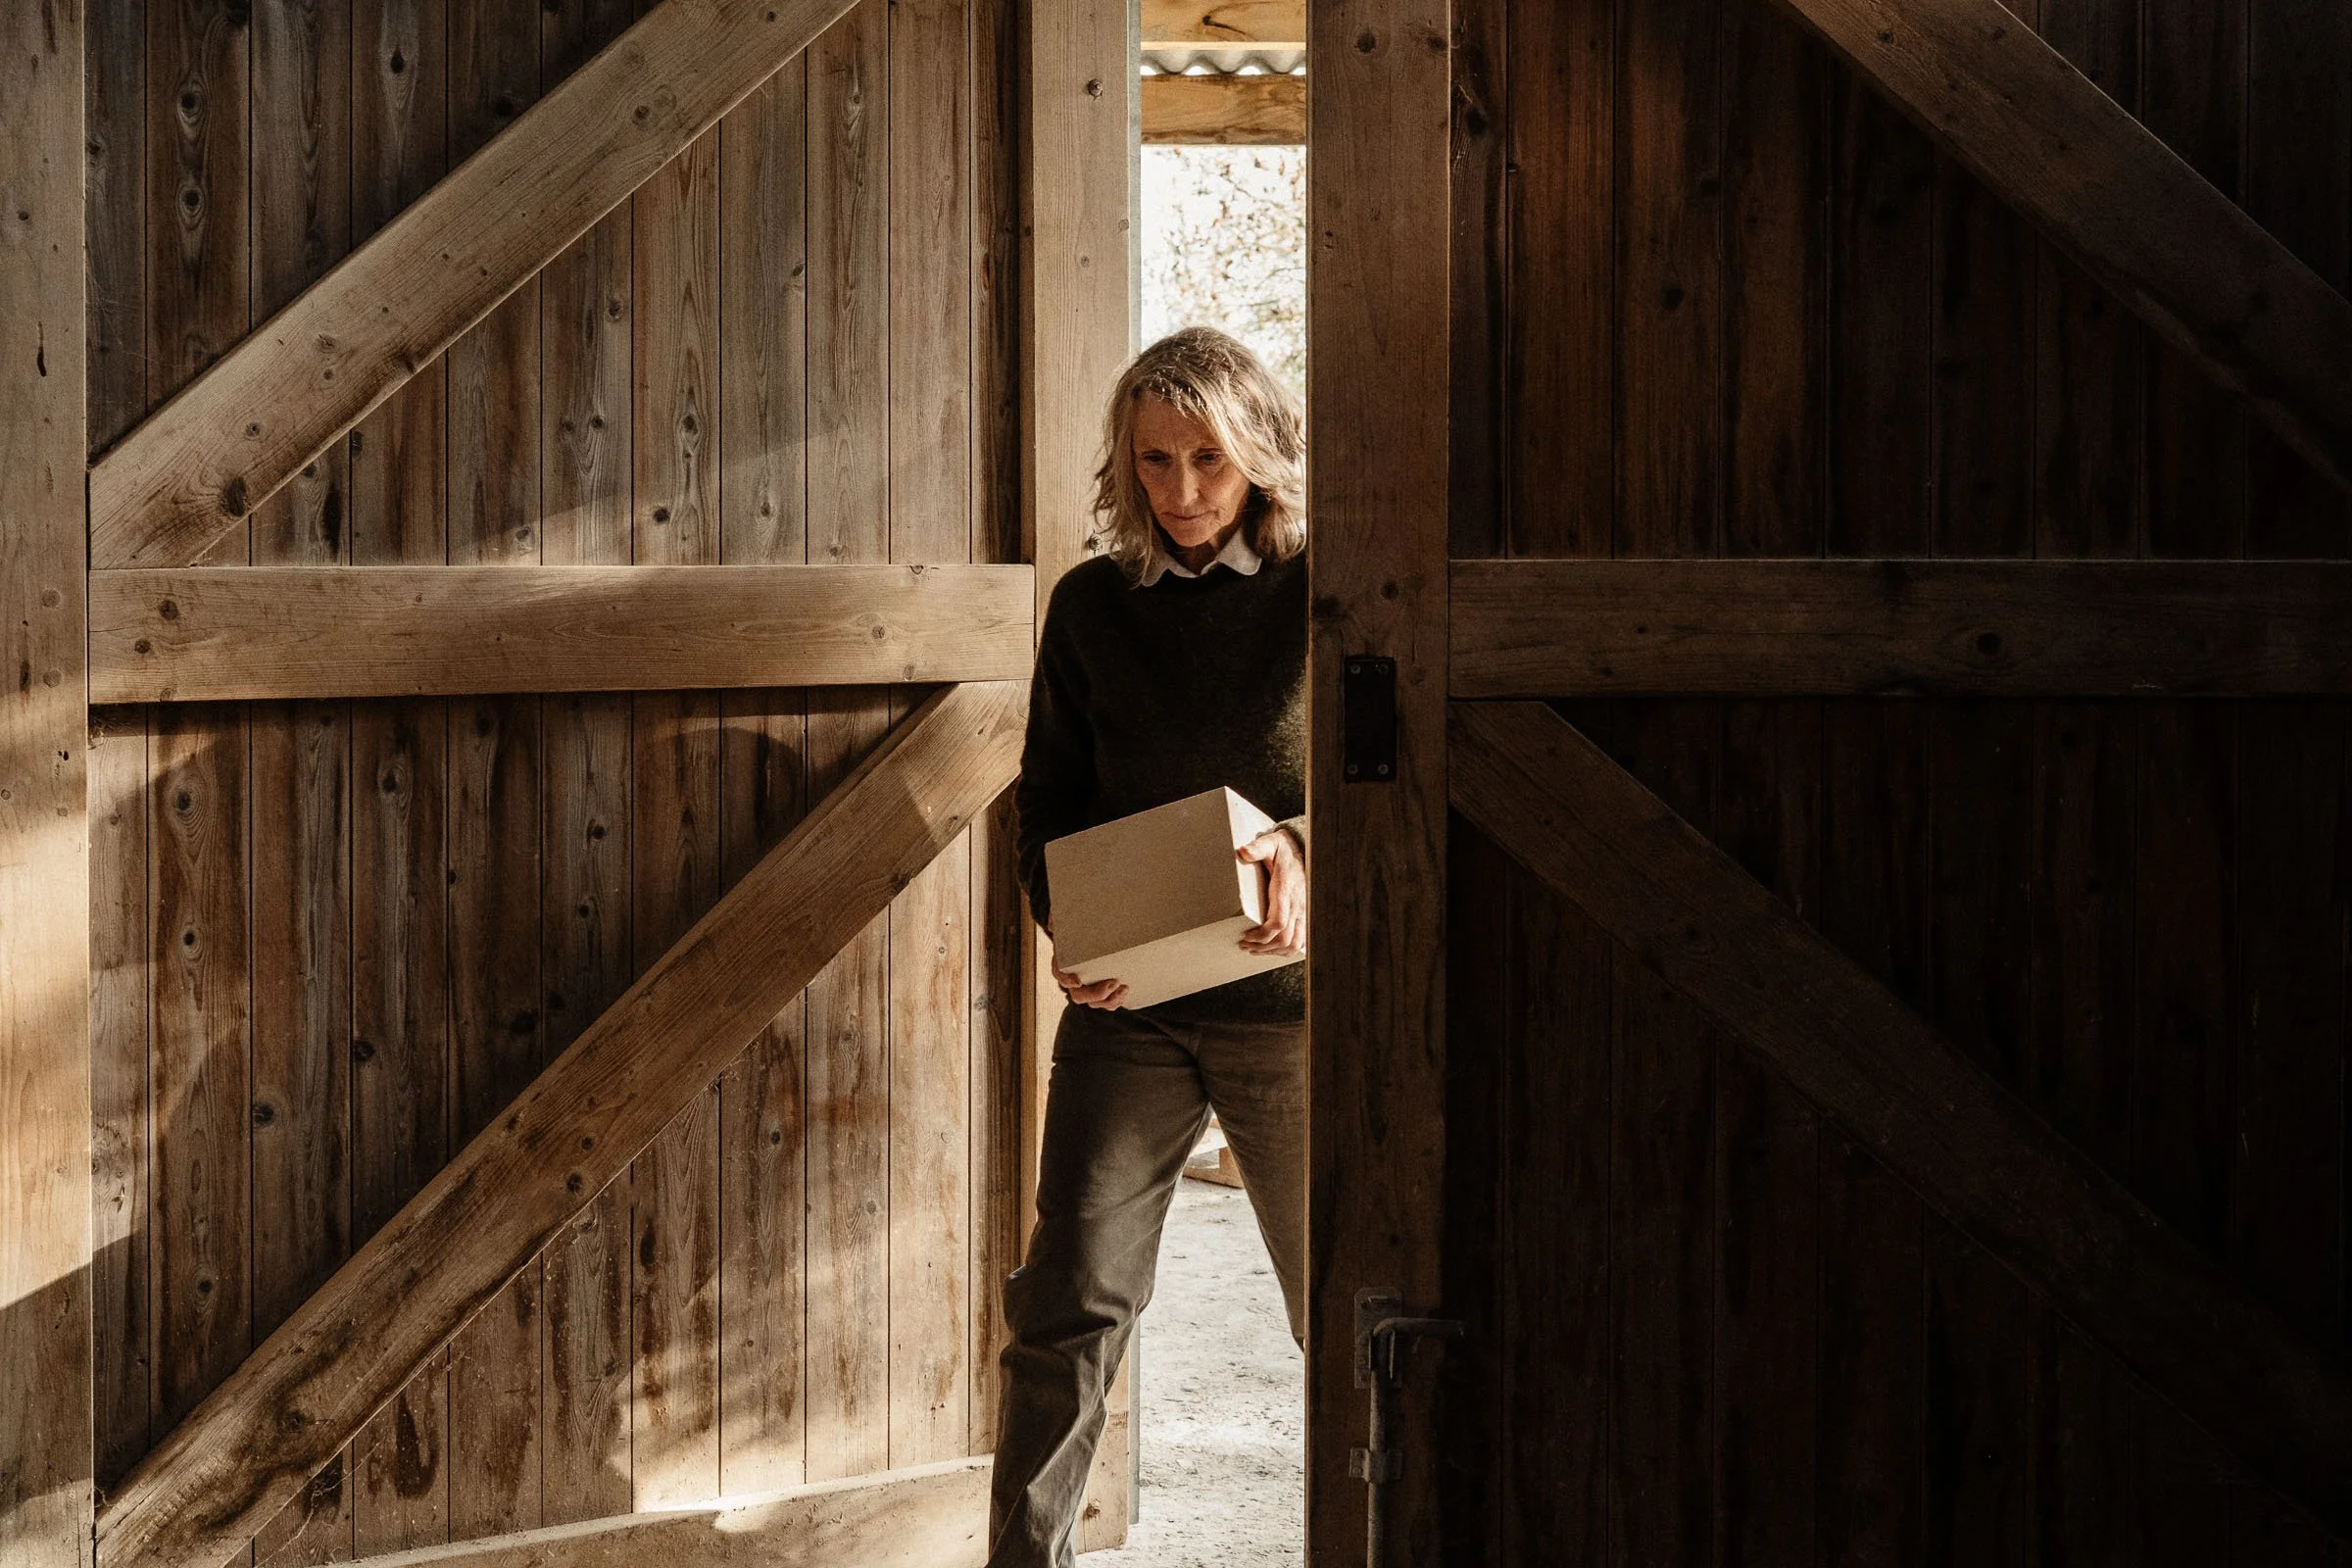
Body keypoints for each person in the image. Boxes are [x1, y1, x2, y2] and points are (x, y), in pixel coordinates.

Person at [987, 326, 1309, 1568]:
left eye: (1209, 461)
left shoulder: (1326, 589)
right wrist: (1070, 929)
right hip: (1133, 1012)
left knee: (1337, 1309)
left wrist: (1301, 844)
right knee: (1067, 1303)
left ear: (1261, 456)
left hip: (1291, 1014)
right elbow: (1046, 803)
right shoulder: (1091, 606)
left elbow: (1390, 777)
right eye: (1156, 461)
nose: (1181, 492)